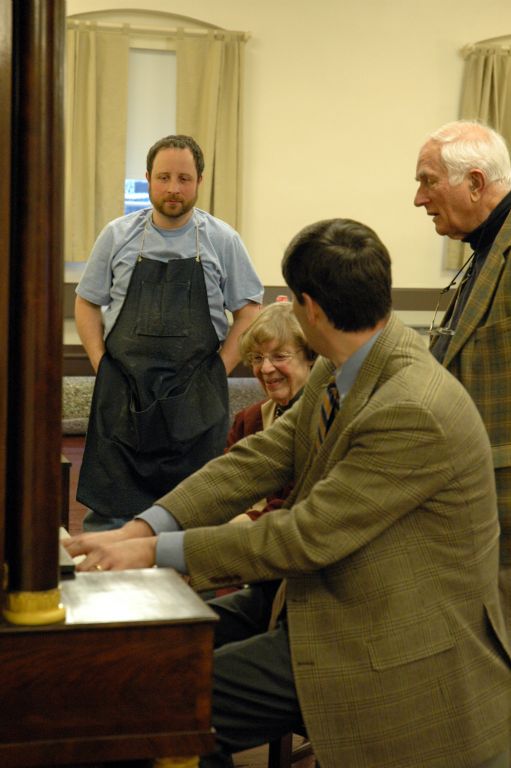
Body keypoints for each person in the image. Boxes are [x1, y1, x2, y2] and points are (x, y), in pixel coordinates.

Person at [65, 217, 510, 768]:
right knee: (142, 663)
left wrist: (154, 553)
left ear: (311, 308)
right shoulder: (342, 365)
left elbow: (305, 536)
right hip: (318, 599)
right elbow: (258, 460)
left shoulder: (411, 407)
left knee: (158, 702)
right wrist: (146, 525)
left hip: (383, 640)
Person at [74, 134, 263, 531]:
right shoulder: (117, 235)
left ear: (199, 181)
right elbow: (87, 302)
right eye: (163, 178)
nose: (173, 189)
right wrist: (100, 364)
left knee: (193, 525)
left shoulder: (222, 240)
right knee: (110, 524)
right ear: (147, 179)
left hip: (196, 404)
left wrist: (219, 370)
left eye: (184, 178)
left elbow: (248, 311)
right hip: (122, 398)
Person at [414, 119, 511, 626]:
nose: (418, 199)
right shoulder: (481, 255)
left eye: (428, 181)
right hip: (477, 505)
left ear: (475, 182)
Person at [226, 301, 315, 521]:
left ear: (310, 357)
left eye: (279, 356)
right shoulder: (247, 420)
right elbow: (223, 485)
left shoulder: (323, 420)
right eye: (257, 358)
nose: (265, 368)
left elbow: (294, 507)